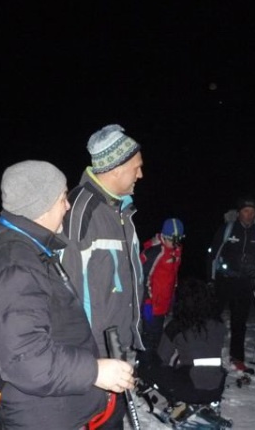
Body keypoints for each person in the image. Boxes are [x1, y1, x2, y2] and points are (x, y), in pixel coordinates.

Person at [0, 160, 136, 430]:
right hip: (37, 415)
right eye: (62, 198)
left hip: (49, 406)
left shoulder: (24, 247)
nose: (67, 206)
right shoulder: (14, 265)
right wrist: (95, 371)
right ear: (42, 205)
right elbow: (24, 358)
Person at [61, 124, 145, 429]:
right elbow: (61, 290)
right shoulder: (79, 211)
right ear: (117, 167)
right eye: (136, 167)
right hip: (92, 358)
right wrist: (83, 361)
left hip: (118, 349)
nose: (140, 174)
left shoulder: (123, 213)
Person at [138, 276, 229, 427]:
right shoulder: (219, 325)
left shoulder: (177, 326)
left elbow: (161, 359)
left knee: (149, 368)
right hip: (216, 388)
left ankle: (176, 404)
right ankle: (202, 404)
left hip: (190, 388)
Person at [208, 197, 255, 373]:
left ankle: (237, 358)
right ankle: (207, 352)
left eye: (252, 212)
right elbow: (213, 254)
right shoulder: (228, 229)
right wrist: (211, 279)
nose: (249, 215)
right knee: (213, 318)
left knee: (239, 322)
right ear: (239, 213)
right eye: (246, 211)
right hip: (224, 280)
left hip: (244, 282)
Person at [137, 218, 185, 371]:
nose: (175, 244)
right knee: (149, 335)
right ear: (164, 236)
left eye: (178, 240)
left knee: (157, 334)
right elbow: (142, 277)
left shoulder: (176, 251)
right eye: (172, 240)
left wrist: (172, 296)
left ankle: (151, 364)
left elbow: (172, 277)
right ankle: (143, 367)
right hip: (150, 303)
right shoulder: (154, 252)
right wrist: (147, 300)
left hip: (163, 302)